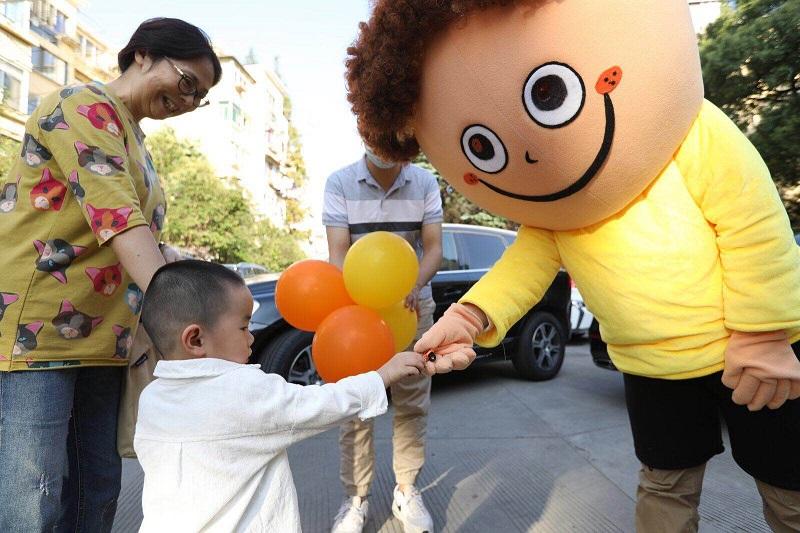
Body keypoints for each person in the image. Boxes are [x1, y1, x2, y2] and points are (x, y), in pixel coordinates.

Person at [344, 1, 800, 532]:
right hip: (651, 368)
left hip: (745, 354)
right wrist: (468, 317)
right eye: (482, 148)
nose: (529, 155)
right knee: (665, 485)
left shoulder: (694, 137)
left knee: (787, 485)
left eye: (550, 94)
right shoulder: (555, 216)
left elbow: (753, 224)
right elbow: (522, 268)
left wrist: (762, 334)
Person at [0, 18, 221, 531]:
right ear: (143, 54)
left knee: (97, 490)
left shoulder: (136, 138)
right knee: (33, 500)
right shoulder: (82, 105)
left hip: (104, 338)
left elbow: (138, 234)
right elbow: (119, 219)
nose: (188, 101)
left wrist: (196, 276)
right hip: (40, 334)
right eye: (187, 82)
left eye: (199, 97)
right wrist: (186, 320)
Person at [134, 260, 431, 532]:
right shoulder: (243, 390)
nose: (251, 337)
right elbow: (322, 404)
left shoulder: (151, 398)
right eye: (243, 327)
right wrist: (382, 375)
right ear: (196, 339)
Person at [323, 146, 443, 532]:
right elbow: (338, 254)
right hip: (359, 310)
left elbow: (434, 248)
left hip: (413, 308)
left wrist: (415, 284)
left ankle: (406, 490)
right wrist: (360, 299)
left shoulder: (424, 182)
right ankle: (355, 499)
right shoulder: (340, 183)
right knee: (358, 405)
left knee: (413, 404)